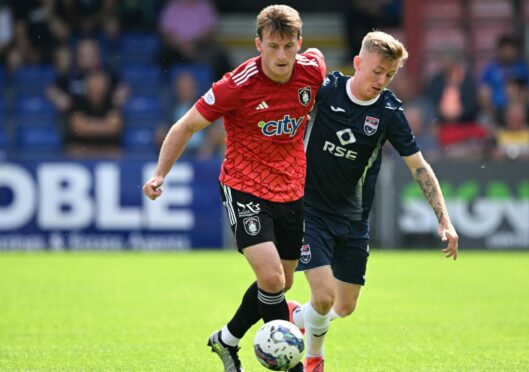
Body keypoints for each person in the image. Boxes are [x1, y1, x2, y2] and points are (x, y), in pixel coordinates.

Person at [143, 5, 326, 372]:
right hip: (244, 187)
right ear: (258, 44)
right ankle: (288, 364)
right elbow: (184, 127)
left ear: (298, 44)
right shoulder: (236, 85)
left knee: (280, 282)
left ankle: (226, 340)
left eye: (288, 46)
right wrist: (161, 174)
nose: (281, 55)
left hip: (291, 190)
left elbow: (321, 61)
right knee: (273, 278)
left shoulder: (312, 71)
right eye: (272, 46)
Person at [287, 31, 459, 372]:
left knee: (345, 306)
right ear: (358, 63)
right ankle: (314, 358)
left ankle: (297, 316)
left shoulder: (389, 112)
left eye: (390, 74)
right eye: (377, 70)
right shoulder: (329, 90)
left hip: (353, 219)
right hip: (310, 210)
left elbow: (419, 168)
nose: (382, 80)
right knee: (324, 296)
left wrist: (444, 219)